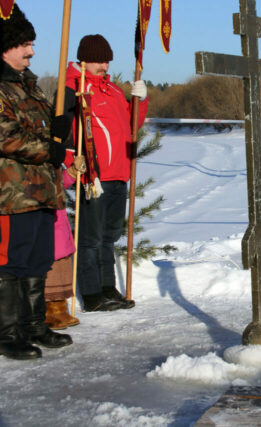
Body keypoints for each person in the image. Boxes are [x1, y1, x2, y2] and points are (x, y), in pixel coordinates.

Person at [0, 4, 73, 360]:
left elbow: (47, 131)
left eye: (32, 43)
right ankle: (8, 332)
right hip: (12, 194)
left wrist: (61, 125)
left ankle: (33, 325)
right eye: (23, 44)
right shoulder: (1, 88)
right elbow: (7, 136)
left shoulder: (30, 87)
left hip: (43, 190)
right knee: (12, 263)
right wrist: (50, 148)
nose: (31, 50)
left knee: (38, 261)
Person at [64, 34, 148, 312]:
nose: (104, 65)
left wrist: (141, 100)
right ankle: (90, 294)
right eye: (99, 60)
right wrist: (71, 163)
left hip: (118, 175)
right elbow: (62, 133)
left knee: (109, 235)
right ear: (84, 60)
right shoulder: (72, 89)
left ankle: (107, 288)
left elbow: (131, 124)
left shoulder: (111, 91)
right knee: (90, 238)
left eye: (107, 60)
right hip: (93, 178)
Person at [44, 155, 86, 330]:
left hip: (59, 220)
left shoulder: (49, 164)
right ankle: (46, 313)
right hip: (46, 220)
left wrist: (72, 172)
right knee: (48, 271)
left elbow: (59, 185)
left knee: (61, 269)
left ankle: (60, 309)